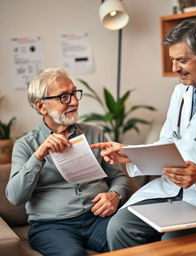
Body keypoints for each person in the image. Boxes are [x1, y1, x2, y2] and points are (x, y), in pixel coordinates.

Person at [90, 19, 196, 250]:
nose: (175, 68)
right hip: (171, 189)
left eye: (182, 60)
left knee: (175, 239)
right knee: (120, 226)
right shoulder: (181, 91)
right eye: (172, 60)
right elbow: (168, 143)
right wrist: (129, 154)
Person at [5, 67, 129, 256]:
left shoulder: (94, 133)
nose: (74, 101)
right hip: (51, 226)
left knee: (130, 244)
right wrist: (38, 156)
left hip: (98, 217)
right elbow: (15, 197)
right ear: (41, 106)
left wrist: (114, 195)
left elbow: (118, 177)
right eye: (64, 96)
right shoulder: (25, 145)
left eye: (74, 93)